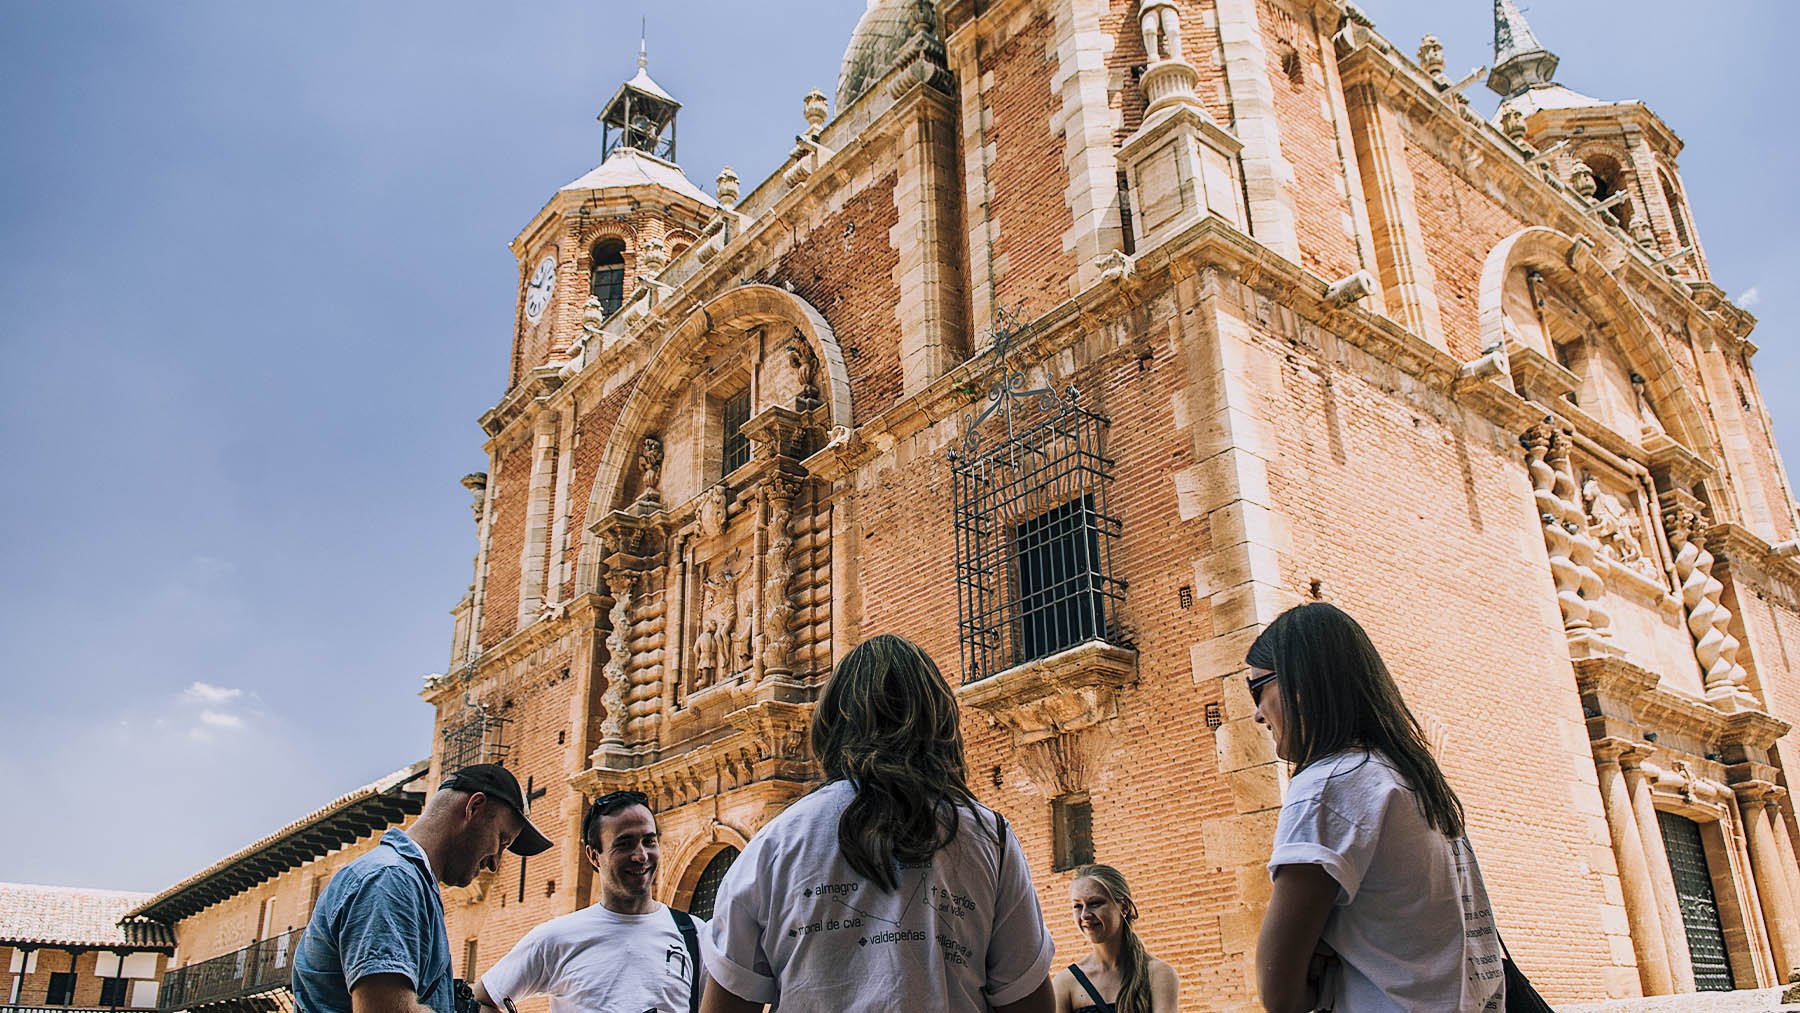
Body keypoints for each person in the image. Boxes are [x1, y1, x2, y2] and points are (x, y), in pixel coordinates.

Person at [697, 634, 1056, 1012]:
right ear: (937, 717)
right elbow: (1028, 1003)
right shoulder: (988, 839)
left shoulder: (773, 846)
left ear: (833, 720)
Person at [1248, 603, 1504, 1012]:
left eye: (1257, 688)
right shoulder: (1413, 780)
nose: (1258, 714)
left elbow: (1277, 988)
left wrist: (1317, 975)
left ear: (1300, 683)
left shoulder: (1327, 787)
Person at [293, 764, 553, 1013]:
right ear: (474, 808)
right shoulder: (390, 880)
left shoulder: (411, 883)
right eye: (502, 840)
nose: (496, 863)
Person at [473, 790, 706, 1013]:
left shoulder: (695, 935)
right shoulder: (556, 938)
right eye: (624, 844)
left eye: (649, 841)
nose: (641, 856)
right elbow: (482, 999)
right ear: (594, 855)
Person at [1052, 865, 1178, 1012]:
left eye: (1095, 903)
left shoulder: (1157, 974)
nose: (1085, 915)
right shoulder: (1066, 982)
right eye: (1078, 906)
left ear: (1124, 907)